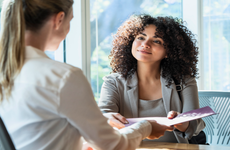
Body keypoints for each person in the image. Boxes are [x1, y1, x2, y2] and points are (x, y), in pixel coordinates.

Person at [0, 1, 174, 150]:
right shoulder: (63, 77)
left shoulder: (9, 70)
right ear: (59, 19)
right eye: (71, 20)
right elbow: (113, 146)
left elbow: (39, 133)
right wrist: (145, 127)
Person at [98, 14, 206, 143]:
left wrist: (181, 122)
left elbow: (194, 125)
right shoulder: (113, 82)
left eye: (156, 41)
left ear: (169, 51)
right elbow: (102, 117)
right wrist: (107, 118)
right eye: (141, 37)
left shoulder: (184, 81)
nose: (145, 44)